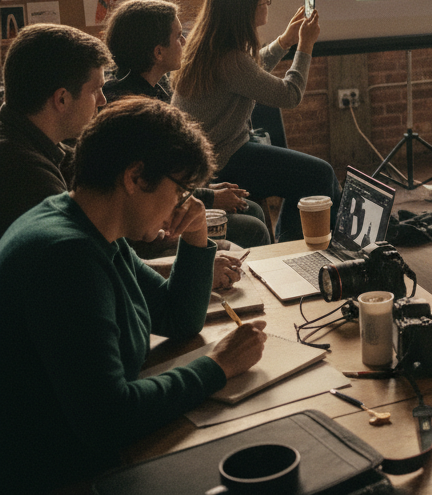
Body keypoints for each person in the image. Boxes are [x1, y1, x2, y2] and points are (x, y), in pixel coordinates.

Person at [0, 97, 268, 491]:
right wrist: (218, 365)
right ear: (136, 177)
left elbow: (176, 317)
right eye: (180, 190)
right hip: (64, 475)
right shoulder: (66, 257)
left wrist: (195, 235)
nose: (182, 202)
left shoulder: (92, 226)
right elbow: (109, 419)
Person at [172, 0, 340, 241]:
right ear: (247, 10)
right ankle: (295, 250)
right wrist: (305, 46)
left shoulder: (209, 47)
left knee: (320, 177)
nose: (268, 5)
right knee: (319, 175)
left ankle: (326, 240)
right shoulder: (230, 59)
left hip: (210, 155)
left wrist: (285, 42)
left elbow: (250, 74)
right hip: (221, 161)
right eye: (265, 1)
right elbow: (290, 95)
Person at [102, 0, 271, 249]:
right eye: (179, 36)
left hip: (163, 202)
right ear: (158, 52)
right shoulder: (134, 107)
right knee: (253, 228)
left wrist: (207, 188)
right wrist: (210, 196)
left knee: (253, 209)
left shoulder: (157, 89)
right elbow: (147, 185)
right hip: (142, 225)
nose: (184, 42)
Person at [0, 23, 110, 238]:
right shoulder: (25, 174)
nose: (102, 100)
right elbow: (82, 251)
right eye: (95, 90)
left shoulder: (38, 141)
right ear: (62, 99)